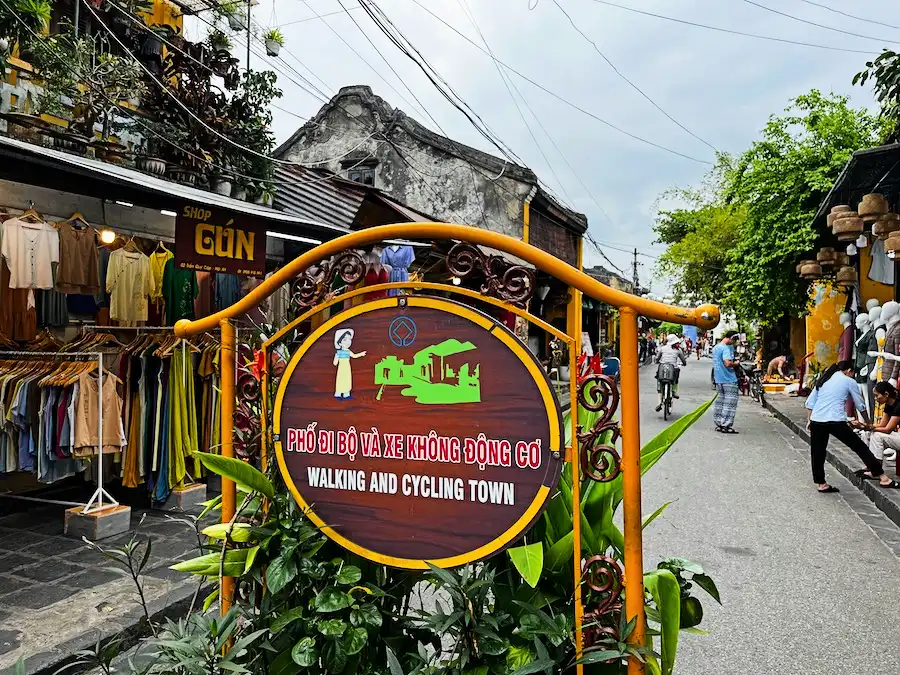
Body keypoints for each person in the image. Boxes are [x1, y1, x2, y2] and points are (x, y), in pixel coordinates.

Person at [806, 360, 899, 492]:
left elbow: (810, 403)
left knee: (817, 452)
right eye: (852, 373)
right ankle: (883, 478)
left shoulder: (824, 379)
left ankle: (821, 484)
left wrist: (809, 420)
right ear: (849, 371)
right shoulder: (849, 381)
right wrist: (867, 422)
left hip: (817, 420)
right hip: (835, 420)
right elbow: (860, 405)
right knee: (859, 447)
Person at [854, 381, 900, 462]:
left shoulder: (898, 405)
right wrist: (864, 426)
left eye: (876, 396)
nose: (875, 398)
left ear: (886, 394)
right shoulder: (888, 404)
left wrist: (867, 427)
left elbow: (887, 429)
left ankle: (876, 467)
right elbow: (882, 424)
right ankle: (869, 463)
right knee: (866, 434)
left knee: (877, 436)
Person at [712, 331, 741, 433]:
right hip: (729, 379)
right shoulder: (725, 348)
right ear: (731, 338)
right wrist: (736, 363)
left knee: (720, 402)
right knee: (730, 403)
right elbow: (728, 363)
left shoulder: (715, 348)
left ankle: (719, 423)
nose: (734, 343)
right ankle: (726, 425)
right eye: (734, 340)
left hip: (718, 379)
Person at [655, 334, 687, 411]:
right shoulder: (678, 350)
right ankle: (674, 391)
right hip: (673, 369)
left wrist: (657, 361)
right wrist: (684, 364)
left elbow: (657, 358)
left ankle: (659, 402)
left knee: (659, 381)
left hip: (663, 368)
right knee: (675, 379)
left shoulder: (662, 349)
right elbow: (683, 360)